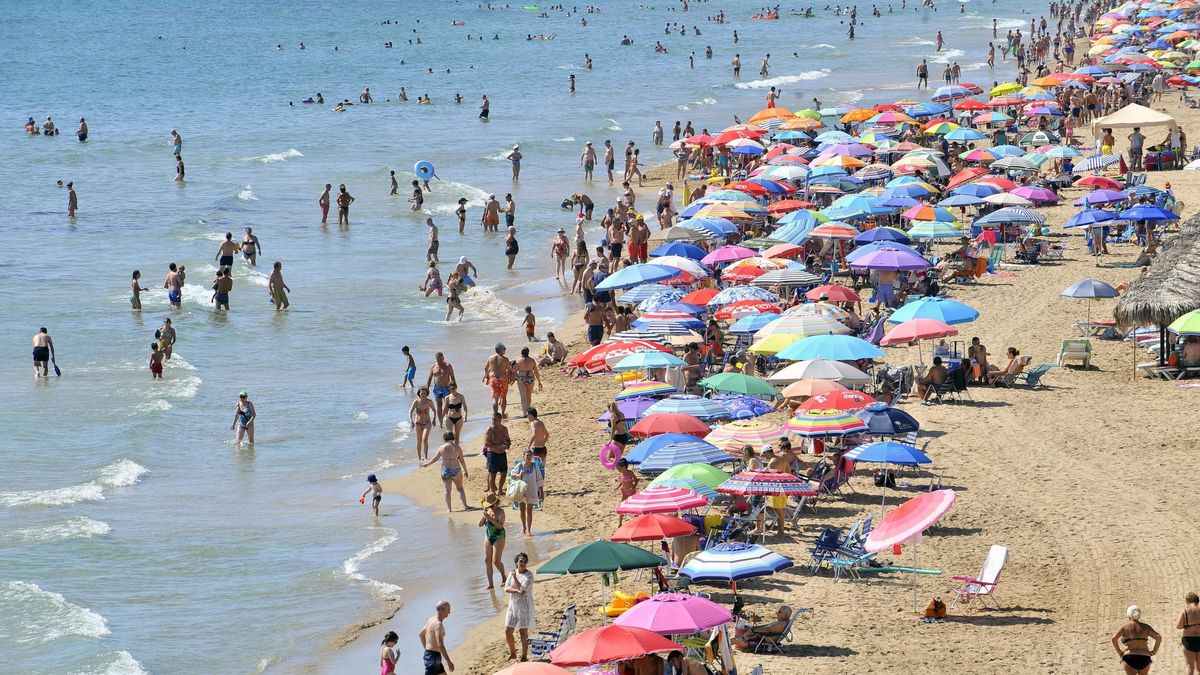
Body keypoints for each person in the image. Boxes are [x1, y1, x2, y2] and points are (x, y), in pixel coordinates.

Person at [423, 431, 470, 512]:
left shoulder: (441, 447)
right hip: (456, 470)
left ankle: (449, 509)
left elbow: (435, 459)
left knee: (447, 490)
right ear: (453, 438)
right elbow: (462, 460)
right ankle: (465, 506)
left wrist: (427, 464)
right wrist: (466, 470)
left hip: (446, 470)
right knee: (460, 489)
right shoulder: (457, 447)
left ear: (444, 438)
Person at [504, 552, 536, 661]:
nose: (522, 563)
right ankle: (513, 653)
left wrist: (515, 579)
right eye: (520, 561)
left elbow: (523, 591)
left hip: (524, 606)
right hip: (513, 606)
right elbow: (506, 588)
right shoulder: (512, 573)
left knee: (523, 632)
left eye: (524, 561)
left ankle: (524, 656)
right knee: (508, 631)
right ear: (516, 562)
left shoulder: (529, 575)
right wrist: (517, 590)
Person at [1112, 605, 1160, 674]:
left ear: (1128, 615)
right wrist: (1154, 651)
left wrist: (1119, 651)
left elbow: (1114, 638)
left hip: (1130, 656)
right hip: (1144, 657)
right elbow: (1158, 637)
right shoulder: (1145, 627)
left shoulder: (1125, 627)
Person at [479, 493, 507, 588]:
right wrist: (484, 516)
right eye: (488, 505)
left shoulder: (500, 512)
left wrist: (490, 518)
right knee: (487, 560)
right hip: (488, 535)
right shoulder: (487, 511)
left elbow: (500, 526)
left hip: (499, 536)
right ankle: (490, 584)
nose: (489, 507)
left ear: (496, 503)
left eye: (491, 505)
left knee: (496, 561)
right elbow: (480, 524)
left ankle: (504, 577)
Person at [511, 450, 542, 535]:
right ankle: (523, 528)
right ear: (523, 456)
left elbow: (539, 478)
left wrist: (541, 491)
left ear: (532, 456)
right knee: (522, 509)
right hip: (521, 491)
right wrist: (519, 475)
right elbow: (512, 475)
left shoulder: (535, 466)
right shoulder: (520, 465)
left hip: (532, 490)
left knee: (529, 510)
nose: (528, 457)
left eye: (530, 455)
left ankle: (529, 530)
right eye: (527, 455)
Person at [418, 601, 453, 675]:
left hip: (431, 656)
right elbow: (440, 644)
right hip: (433, 658)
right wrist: (448, 661)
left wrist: (427, 649)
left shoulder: (431, 620)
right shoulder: (438, 625)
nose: (449, 612)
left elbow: (421, 635)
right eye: (448, 609)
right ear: (442, 609)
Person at [427, 352, 457, 426]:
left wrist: (454, 387)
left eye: (441, 359)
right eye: (438, 359)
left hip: (447, 388)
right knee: (439, 405)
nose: (439, 361)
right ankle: (440, 421)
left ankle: (448, 419)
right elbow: (430, 378)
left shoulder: (448, 365)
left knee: (447, 404)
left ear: (443, 358)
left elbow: (452, 377)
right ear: (436, 359)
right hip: (437, 388)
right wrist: (426, 389)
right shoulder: (433, 366)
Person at [513, 347, 542, 416]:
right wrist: (539, 381)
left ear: (521, 353)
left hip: (521, 377)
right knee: (529, 396)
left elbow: (515, 372)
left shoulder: (518, 361)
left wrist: (513, 379)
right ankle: (528, 412)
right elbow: (536, 372)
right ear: (528, 352)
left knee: (523, 396)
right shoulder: (532, 360)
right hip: (530, 377)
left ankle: (524, 413)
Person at [409, 387, 436, 460]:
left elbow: (434, 410)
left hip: (427, 423)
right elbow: (410, 411)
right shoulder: (416, 402)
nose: (423, 395)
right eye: (422, 393)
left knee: (425, 438)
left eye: (425, 393)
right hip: (418, 423)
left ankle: (426, 457)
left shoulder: (429, 401)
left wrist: (434, 419)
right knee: (419, 441)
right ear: (419, 394)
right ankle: (419, 457)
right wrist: (411, 421)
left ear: (427, 394)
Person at [1178, 592, 1200, 674]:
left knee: (1190, 666)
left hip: (1189, 639)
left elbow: (1178, 626)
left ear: (1187, 601)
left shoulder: (1185, 612)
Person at [615, 458, 638, 525]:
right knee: (622, 506)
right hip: (624, 491)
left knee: (634, 506)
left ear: (624, 467)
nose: (619, 470)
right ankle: (620, 523)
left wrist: (634, 487)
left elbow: (636, 480)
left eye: (619, 469)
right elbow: (621, 482)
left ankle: (636, 521)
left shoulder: (630, 472)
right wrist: (617, 487)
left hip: (631, 491)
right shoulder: (621, 474)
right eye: (618, 469)